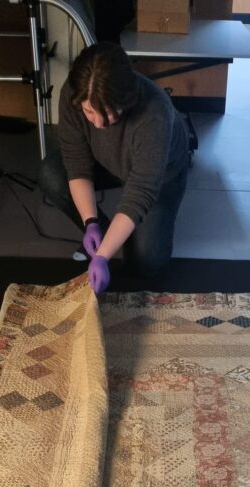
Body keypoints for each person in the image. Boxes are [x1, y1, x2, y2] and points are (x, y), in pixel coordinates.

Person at [38, 42, 190, 296]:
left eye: (107, 113)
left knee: (145, 261)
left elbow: (140, 193)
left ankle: (116, 238)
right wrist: (91, 222)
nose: (98, 123)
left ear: (126, 100)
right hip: (107, 160)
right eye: (89, 111)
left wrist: (102, 257)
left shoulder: (155, 113)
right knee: (51, 174)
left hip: (160, 176)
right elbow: (76, 163)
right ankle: (105, 231)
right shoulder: (74, 94)